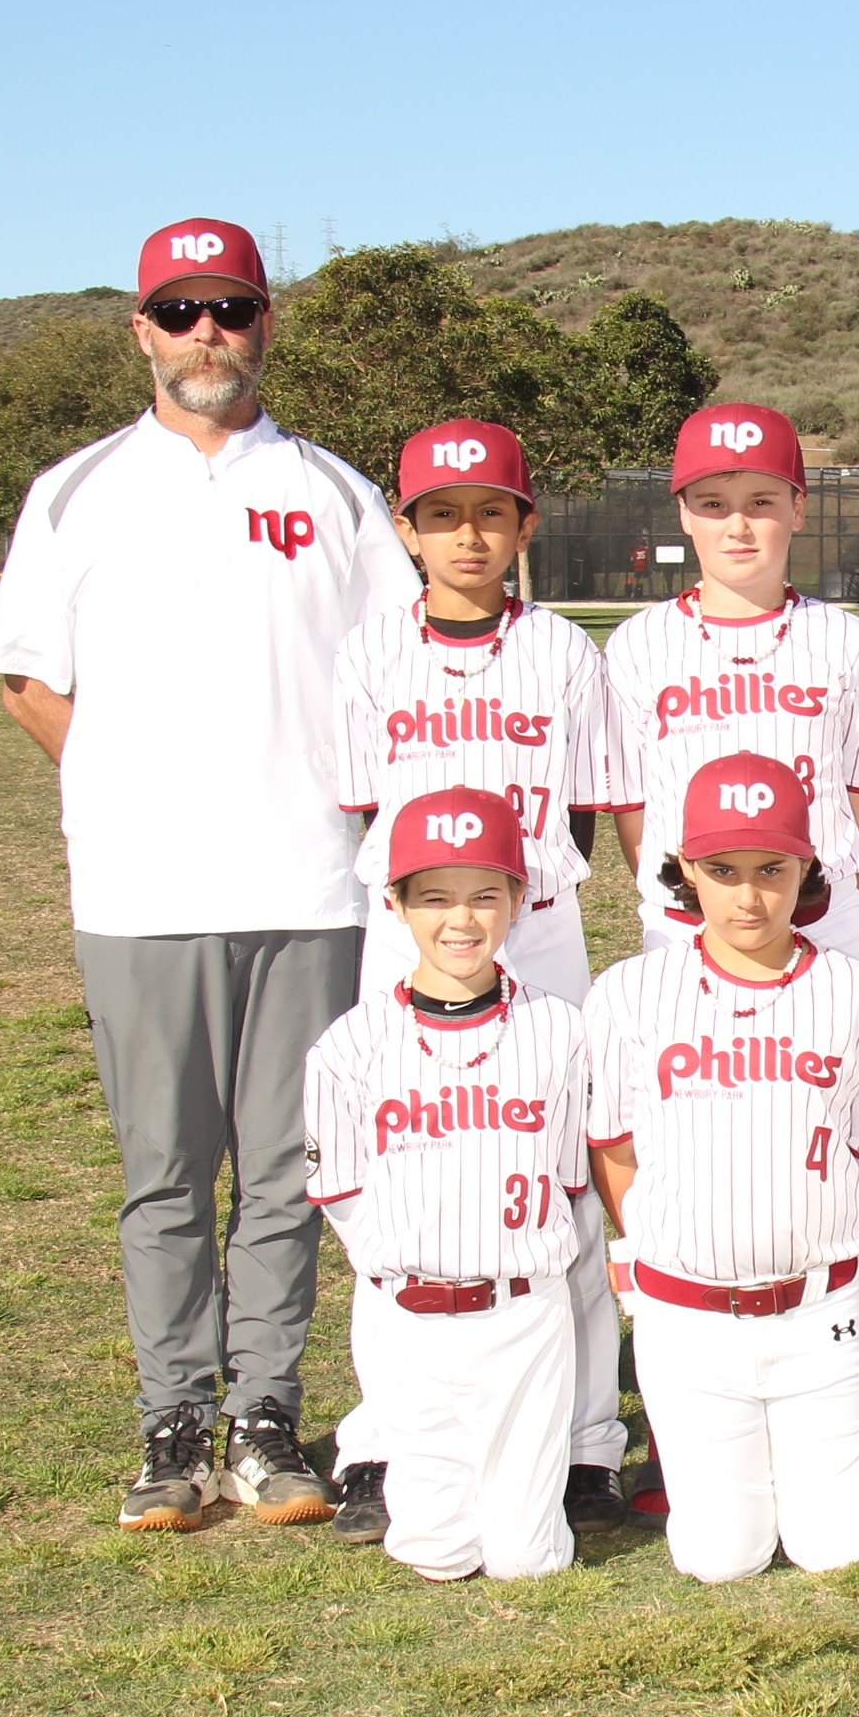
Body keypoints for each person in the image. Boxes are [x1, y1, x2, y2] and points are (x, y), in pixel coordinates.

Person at [0, 217, 412, 1532]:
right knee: (164, 1174)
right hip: (141, 895)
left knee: (286, 1173)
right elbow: (28, 680)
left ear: (265, 323)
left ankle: (267, 1416)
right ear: (142, 332)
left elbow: (394, 674)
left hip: (308, 890)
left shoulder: (334, 493)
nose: (206, 333)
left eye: (229, 308)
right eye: (180, 311)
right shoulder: (76, 491)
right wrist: (124, 785)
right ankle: (172, 1422)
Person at [326, 419, 630, 1542]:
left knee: (562, 1183)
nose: (467, 535)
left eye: (490, 513)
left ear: (523, 525)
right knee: (399, 1183)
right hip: (408, 934)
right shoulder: (369, 652)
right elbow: (363, 805)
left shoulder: (564, 653)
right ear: (407, 529)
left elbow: (586, 808)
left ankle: (586, 1440)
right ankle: (386, 1439)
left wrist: (518, 908)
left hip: (538, 933)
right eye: (442, 515)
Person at [583, 754, 859, 1582]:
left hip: (818, 1315)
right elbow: (616, 1151)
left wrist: (812, 1244)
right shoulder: (628, 993)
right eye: (722, 871)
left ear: (807, 868)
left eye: (772, 869)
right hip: (688, 1320)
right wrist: (672, 1247)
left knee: (841, 1553)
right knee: (720, 1559)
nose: (750, 897)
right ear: (685, 869)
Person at [301, 789, 594, 1581]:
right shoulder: (350, 1045)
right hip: (406, 1317)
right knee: (435, 1551)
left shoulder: (562, 1031)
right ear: (394, 903)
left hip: (524, 1311)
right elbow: (343, 1193)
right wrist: (412, 1257)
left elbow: (569, 1179)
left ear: (518, 901)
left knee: (527, 1558)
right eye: (434, 897)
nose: (460, 920)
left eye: (484, 896)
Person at [600, 404, 859, 965]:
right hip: (682, 925)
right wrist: (685, 892)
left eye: (761, 502)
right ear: (684, 513)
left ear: (798, 508)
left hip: (822, 920)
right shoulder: (638, 643)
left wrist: (823, 894)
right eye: (713, 504)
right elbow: (634, 803)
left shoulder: (848, 640)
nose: (737, 526)